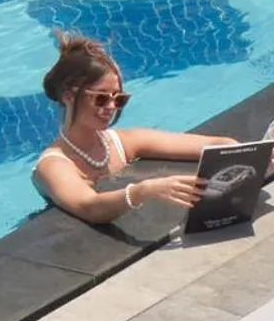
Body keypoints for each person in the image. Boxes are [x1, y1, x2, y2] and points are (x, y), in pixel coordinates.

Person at [32, 31, 242, 225]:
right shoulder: (54, 165)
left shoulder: (122, 143)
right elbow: (89, 207)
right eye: (101, 98)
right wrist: (143, 190)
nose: (111, 107)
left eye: (119, 99)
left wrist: (245, 154)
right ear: (68, 95)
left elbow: (216, 144)